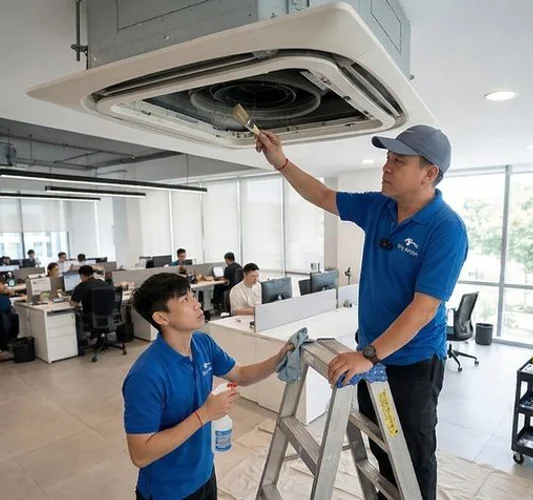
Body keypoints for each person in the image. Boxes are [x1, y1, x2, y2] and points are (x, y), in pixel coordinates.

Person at [254, 123, 468, 496]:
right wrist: (281, 162)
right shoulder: (379, 207)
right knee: (382, 451)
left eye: (398, 161)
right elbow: (321, 194)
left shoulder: (446, 229)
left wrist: (368, 355)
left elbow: (423, 309)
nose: (386, 167)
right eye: (387, 158)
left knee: (413, 460)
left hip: (413, 364)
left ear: (429, 173)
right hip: (372, 354)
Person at [123, 272, 295, 500]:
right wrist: (205, 414)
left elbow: (240, 374)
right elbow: (141, 454)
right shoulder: (146, 376)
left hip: (204, 474)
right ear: (161, 318)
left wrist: (278, 359)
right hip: (169, 491)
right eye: (185, 300)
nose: (196, 304)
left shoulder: (202, 343)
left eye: (192, 296)